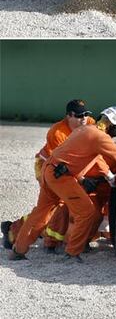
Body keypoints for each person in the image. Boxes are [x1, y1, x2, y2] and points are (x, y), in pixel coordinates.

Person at [9, 106, 116, 262]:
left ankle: (18, 251)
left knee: (40, 213)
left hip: (50, 171)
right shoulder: (99, 136)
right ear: (114, 126)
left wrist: (108, 175)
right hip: (61, 177)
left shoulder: (86, 129)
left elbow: (97, 158)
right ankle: (72, 253)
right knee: (87, 212)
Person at [1, 99, 94, 250]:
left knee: (58, 205)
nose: (84, 118)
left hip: (69, 168)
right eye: (79, 115)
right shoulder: (57, 133)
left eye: (85, 114)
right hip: (48, 165)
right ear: (69, 116)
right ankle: (15, 233)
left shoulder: (89, 122)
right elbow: (59, 163)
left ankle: (45, 236)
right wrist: (81, 178)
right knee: (53, 204)